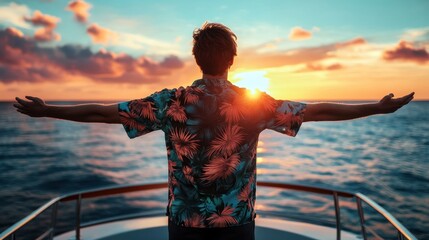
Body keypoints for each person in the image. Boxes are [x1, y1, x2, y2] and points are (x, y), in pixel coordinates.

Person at [13, 22, 414, 240]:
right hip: (237, 222)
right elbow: (318, 111)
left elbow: (104, 114)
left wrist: (49, 111)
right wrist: (375, 110)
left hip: (184, 223)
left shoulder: (171, 102)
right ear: (233, 59)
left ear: (196, 58)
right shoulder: (254, 104)